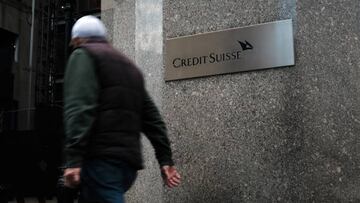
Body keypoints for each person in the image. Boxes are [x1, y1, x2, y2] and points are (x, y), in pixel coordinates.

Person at [62, 15, 181, 203]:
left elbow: (79, 109)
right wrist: (165, 160)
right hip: (127, 165)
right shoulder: (130, 67)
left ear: (77, 39)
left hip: (100, 160)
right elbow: (152, 119)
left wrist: (74, 159)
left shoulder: (83, 55)